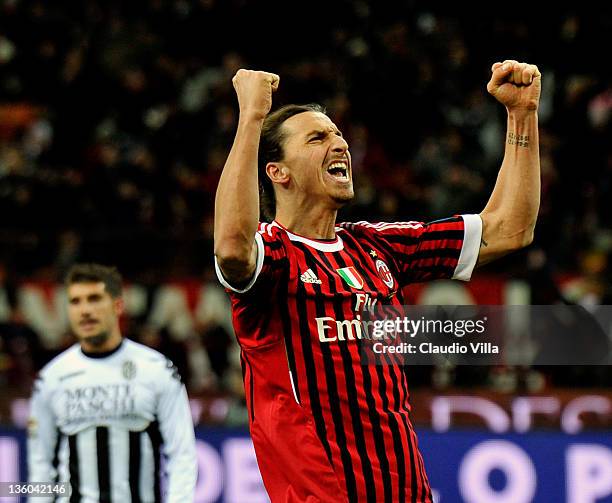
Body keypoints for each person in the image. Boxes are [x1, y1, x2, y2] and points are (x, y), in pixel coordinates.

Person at [214, 60, 541, 502]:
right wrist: (252, 116)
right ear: (278, 172)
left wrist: (522, 115)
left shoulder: (377, 247)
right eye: (318, 137)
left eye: (338, 134)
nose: (340, 144)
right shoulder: (273, 257)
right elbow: (232, 247)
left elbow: (510, 228)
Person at [27, 263, 197, 502]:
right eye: (75, 301)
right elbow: (41, 465)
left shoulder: (157, 370)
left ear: (118, 305)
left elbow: (182, 455)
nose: (84, 310)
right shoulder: (51, 379)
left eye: (94, 298)